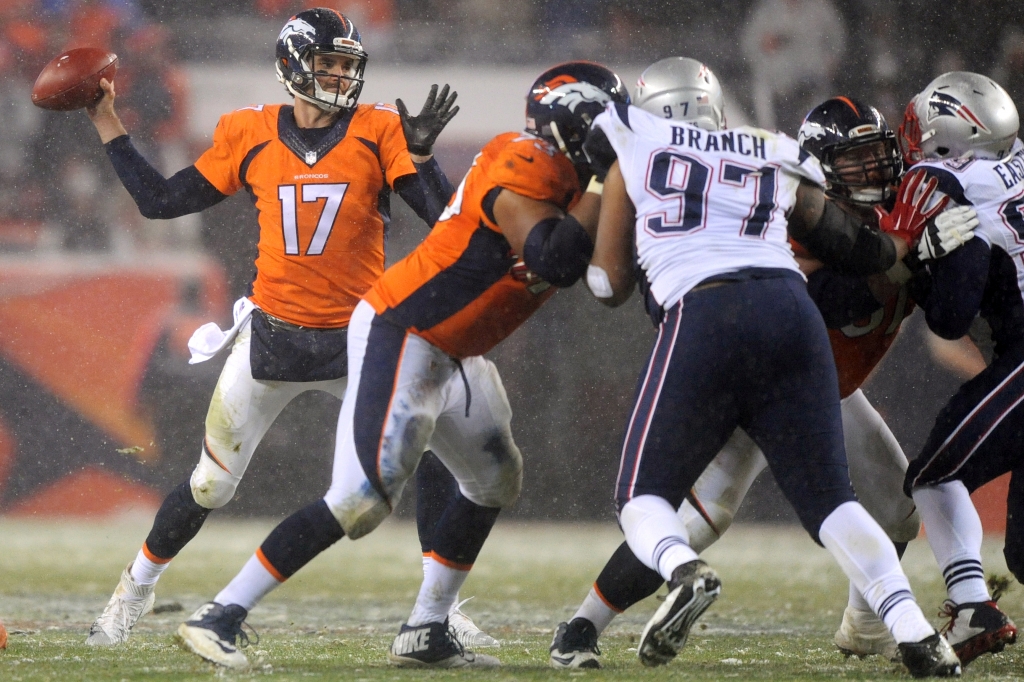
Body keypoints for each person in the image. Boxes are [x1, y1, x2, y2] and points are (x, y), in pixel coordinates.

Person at [172, 61, 631, 670]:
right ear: (577, 128)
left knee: (496, 478)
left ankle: (426, 629)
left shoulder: (580, 182)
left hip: (456, 345)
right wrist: (605, 182)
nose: (620, 139)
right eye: (609, 128)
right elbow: (557, 257)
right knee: (359, 499)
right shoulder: (523, 162)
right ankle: (221, 614)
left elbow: (604, 279)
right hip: (407, 331)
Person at [549, 87, 980, 669]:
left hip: (812, 380)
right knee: (711, 517)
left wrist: (942, 256)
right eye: (855, 161)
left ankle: (867, 625)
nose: (874, 170)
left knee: (895, 509)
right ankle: (583, 623)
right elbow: (835, 292)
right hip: (784, 369)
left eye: (879, 155)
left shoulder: (895, 211)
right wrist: (907, 254)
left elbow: (930, 298)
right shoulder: (778, 193)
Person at [82, 7, 461, 647]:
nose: (341, 77)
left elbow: (441, 216)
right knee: (210, 483)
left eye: (348, 65)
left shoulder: (379, 130)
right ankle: (135, 589)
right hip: (273, 336)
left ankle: (435, 612)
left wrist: (421, 155)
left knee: (432, 455)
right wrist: (105, 118)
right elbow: (160, 201)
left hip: (358, 340)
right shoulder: (249, 132)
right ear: (292, 65)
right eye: (329, 63)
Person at [899, 70, 1022, 667]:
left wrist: (922, 266)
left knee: (934, 474)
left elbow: (950, 317)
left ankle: (972, 605)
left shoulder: (947, 179)